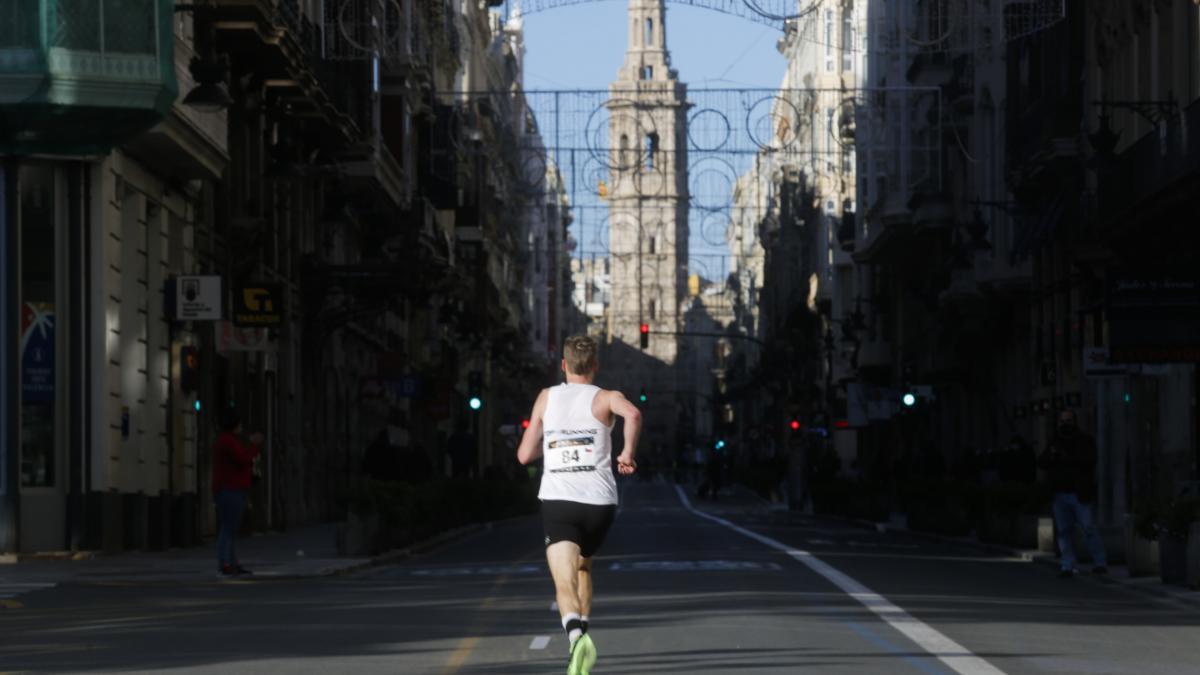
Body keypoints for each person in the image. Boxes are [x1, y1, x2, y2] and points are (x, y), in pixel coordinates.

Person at [516, 334, 641, 675]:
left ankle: (576, 639)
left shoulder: (546, 397)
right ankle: (584, 626)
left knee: (562, 577)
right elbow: (632, 413)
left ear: (563, 365)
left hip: (560, 501)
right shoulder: (606, 398)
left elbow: (525, 454)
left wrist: (552, 447)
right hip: (600, 504)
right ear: (595, 366)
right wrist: (626, 452)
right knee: (583, 566)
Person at [1040, 409, 1107, 577]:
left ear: (1075, 422)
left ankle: (1100, 562)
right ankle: (1067, 565)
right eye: (1062, 421)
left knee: (1088, 528)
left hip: (1079, 493)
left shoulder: (1085, 441)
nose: (1065, 424)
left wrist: (1065, 458)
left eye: (1068, 420)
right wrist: (1053, 456)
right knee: (1063, 531)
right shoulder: (1054, 441)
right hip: (1060, 494)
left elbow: (1089, 461)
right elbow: (1042, 461)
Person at [213, 409, 263, 579]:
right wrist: (254, 446)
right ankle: (225, 564)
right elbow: (243, 458)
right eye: (239, 423)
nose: (241, 426)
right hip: (231, 489)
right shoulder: (227, 441)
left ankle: (232, 563)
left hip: (232, 488)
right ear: (233, 424)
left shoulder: (229, 440)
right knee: (228, 528)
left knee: (230, 529)